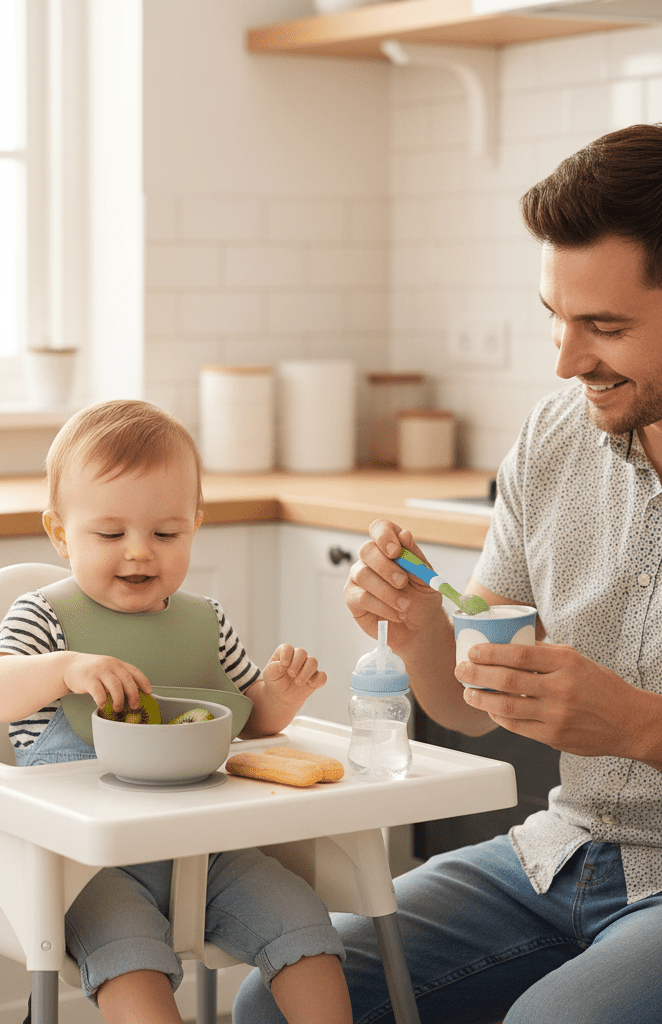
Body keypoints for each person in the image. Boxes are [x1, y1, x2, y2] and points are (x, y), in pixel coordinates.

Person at [233, 123, 662, 1024]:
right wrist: (424, 626)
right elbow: (468, 705)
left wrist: (638, 726)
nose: (565, 359)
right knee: (278, 999)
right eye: (554, 314)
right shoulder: (554, 438)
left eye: (605, 327)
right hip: (563, 851)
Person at [0, 399, 352, 1024]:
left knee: (302, 918)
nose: (140, 553)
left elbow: (250, 718)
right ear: (60, 533)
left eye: (166, 533)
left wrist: (280, 698)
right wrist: (65, 668)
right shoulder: (44, 618)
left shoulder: (207, 624)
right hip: (87, 869)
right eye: (111, 534)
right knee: (131, 958)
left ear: (195, 527)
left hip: (208, 851)